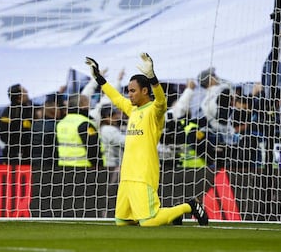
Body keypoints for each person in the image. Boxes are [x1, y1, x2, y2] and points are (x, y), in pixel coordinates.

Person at [86, 53, 208, 227]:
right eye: (128, 91)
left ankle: (188, 206)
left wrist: (153, 78)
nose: (129, 95)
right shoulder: (133, 109)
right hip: (127, 174)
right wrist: (99, 79)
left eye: (133, 91)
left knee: (148, 222)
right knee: (122, 222)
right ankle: (170, 216)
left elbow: (161, 101)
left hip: (143, 173)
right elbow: (116, 97)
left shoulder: (154, 111)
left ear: (145, 91)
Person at [56, 93, 103, 168]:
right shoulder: (84, 123)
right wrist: (99, 166)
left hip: (64, 166)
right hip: (83, 167)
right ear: (83, 105)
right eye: (88, 103)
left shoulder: (61, 123)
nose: (89, 106)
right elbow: (93, 148)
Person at [0, 84, 39, 165]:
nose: (27, 91)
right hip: (13, 156)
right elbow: (3, 135)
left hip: (29, 155)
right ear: (19, 96)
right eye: (24, 90)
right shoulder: (7, 113)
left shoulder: (30, 109)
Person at [32, 93, 66, 168]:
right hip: (50, 164)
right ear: (54, 111)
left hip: (35, 163)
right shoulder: (57, 126)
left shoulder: (35, 124)